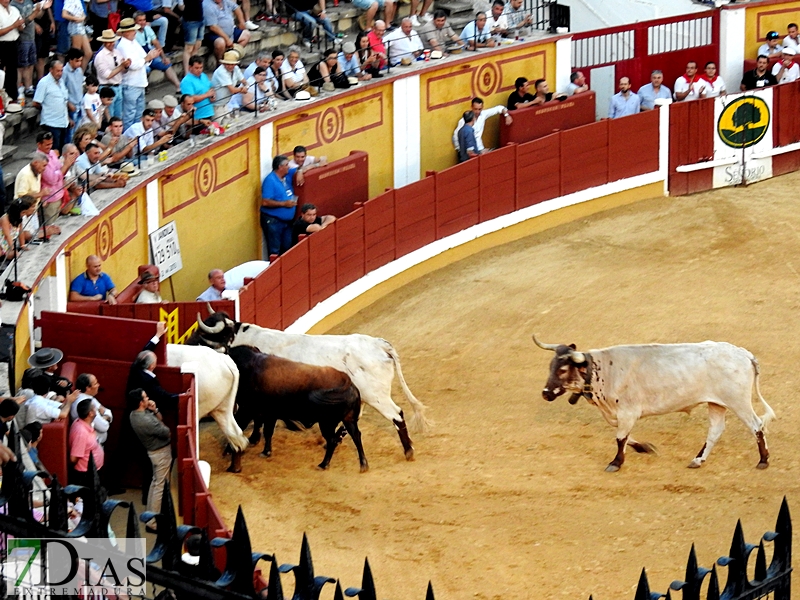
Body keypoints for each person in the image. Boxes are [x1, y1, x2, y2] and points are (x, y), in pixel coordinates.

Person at [128, 388, 171, 533]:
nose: (148, 399)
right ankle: (152, 522)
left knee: (155, 483)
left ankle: (150, 516)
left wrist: (154, 409)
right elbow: (166, 432)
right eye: (145, 398)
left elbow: (160, 421)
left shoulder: (135, 414)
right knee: (159, 486)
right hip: (160, 453)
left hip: (154, 452)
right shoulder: (145, 420)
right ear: (141, 402)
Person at [117, 17, 159, 130]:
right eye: (132, 30)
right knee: (129, 115)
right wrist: (147, 58)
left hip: (140, 82)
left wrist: (149, 57)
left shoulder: (134, 42)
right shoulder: (122, 46)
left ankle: (137, 137)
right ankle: (128, 138)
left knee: (138, 114)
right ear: (126, 32)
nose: (135, 32)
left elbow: (143, 57)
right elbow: (133, 65)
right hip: (131, 84)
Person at [261, 154, 304, 257]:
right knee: (275, 249)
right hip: (274, 221)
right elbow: (265, 202)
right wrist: (284, 204)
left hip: (286, 222)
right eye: (286, 164)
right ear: (280, 167)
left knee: (287, 248)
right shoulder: (270, 181)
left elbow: (302, 166)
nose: (289, 166)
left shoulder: (286, 175)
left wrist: (300, 171)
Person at [133, 11, 181, 94]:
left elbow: (156, 43)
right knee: (146, 69)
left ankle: (178, 86)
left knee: (166, 64)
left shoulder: (147, 29)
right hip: (139, 58)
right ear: (135, 21)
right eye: (140, 20)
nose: (142, 22)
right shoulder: (132, 33)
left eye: (144, 20)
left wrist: (164, 57)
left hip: (150, 54)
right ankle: (144, 87)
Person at [33, 59, 74, 150]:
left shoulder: (61, 82)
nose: (60, 73)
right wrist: (47, 109)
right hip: (51, 123)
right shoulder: (44, 83)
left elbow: (63, 101)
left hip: (63, 122)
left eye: (61, 70)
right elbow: (36, 102)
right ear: (51, 70)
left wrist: (68, 118)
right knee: (54, 151)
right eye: (57, 71)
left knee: (63, 149)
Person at [11, 0, 45, 99]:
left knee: (31, 64)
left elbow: (37, 16)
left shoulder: (28, 2)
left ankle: (28, 87)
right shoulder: (13, 5)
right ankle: (18, 90)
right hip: (22, 39)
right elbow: (21, 24)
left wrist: (41, 9)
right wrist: (34, 14)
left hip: (31, 38)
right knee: (21, 66)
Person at [69, 397, 105, 488]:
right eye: (94, 408)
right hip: (85, 475)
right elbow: (73, 458)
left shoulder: (83, 424)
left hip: (91, 471)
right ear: (90, 413)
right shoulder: (81, 432)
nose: (96, 409)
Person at [70, 372, 112, 444]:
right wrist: (106, 416)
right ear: (88, 388)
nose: (98, 385)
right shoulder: (86, 404)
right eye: (95, 384)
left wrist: (104, 416)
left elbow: (106, 410)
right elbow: (104, 426)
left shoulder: (88, 398)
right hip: (91, 446)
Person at [94, 29, 128, 119]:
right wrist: (121, 66)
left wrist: (126, 66)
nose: (112, 43)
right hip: (107, 88)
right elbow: (107, 75)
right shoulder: (100, 57)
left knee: (119, 115)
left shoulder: (117, 52)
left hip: (118, 86)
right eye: (109, 42)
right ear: (104, 42)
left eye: (113, 41)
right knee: (110, 116)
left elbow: (123, 70)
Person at [0, 0, 25, 101]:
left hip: (14, 43)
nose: (6, 0)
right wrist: (13, 26)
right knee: (2, 72)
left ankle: (13, 96)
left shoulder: (14, 10)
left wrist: (19, 26)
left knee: (13, 71)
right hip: (2, 44)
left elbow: (21, 28)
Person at [181, 55, 215, 120]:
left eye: (201, 67)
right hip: (198, 116)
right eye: (196, 68)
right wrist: (207, 95)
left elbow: (210, 88)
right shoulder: (186, 81)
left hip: (209, 112)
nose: (199, 70)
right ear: (190, 67)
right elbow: (190, 99)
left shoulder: (204, 75)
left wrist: (212, 96)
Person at [61, 0, 89, 68]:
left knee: (88, 53)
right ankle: (71, 74)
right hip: (75, 26)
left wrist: (83, 17)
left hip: (81, 26)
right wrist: (76, 19)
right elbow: (64, 14)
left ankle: (80, 74)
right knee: (76, 55)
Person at [62, 47, 84, 128]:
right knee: (70, 133)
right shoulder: (64, 72)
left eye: (81, 61)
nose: (79, 63)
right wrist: (68, 103)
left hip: (80, 105)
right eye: (77, 61)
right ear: (70, 60)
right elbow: (62, 90)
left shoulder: (79, 71)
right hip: (71, 106)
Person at [181, 0, 204, 76]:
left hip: (201, 19)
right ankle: (187, 73)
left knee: (197, 46)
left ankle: (194, 69)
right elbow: (181, 6)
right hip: (190, 20)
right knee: (189, 48)